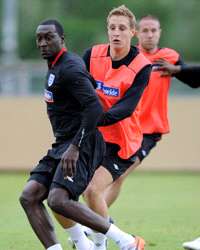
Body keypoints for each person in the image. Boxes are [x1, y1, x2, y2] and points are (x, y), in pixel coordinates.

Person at [19, 19, 143, 250]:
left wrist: (75, 147)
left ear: (62, 39)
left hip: (82, 143)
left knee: (58, 200)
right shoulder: (55, 66)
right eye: (40, 38)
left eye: (49, 37)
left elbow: (94, 107)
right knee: (29, 196)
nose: (43, 43)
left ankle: (126, 241)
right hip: (63, 144)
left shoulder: (71, 67)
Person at [54, 5, 151, 250]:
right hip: (91, 135)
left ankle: (100, 244)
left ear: (133, 32)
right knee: (59, 193)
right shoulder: (92, 55)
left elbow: (127, 108)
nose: (116, 33)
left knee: (92, 190)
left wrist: (94, 118)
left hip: (121, 141)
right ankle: (91, 242)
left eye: (122, 28)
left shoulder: (142, 66)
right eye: (111, 28)